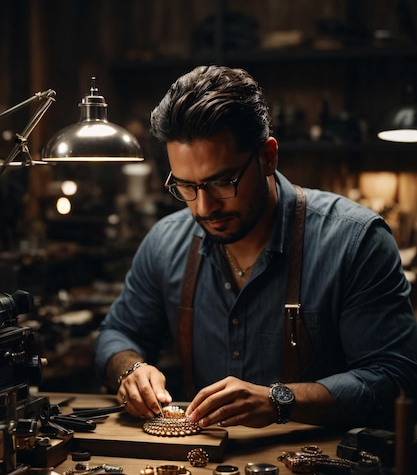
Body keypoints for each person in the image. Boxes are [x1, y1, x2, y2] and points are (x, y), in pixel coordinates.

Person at [94, 65, 417, 430]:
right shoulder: (166, 243)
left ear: (268, 157)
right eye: (185, 186)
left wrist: (281, 401)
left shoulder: (355, 242)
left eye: (221, 183)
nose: (203, 208)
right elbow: (117, 334)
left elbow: (395, 378)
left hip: (324, 474)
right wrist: (131, 370)